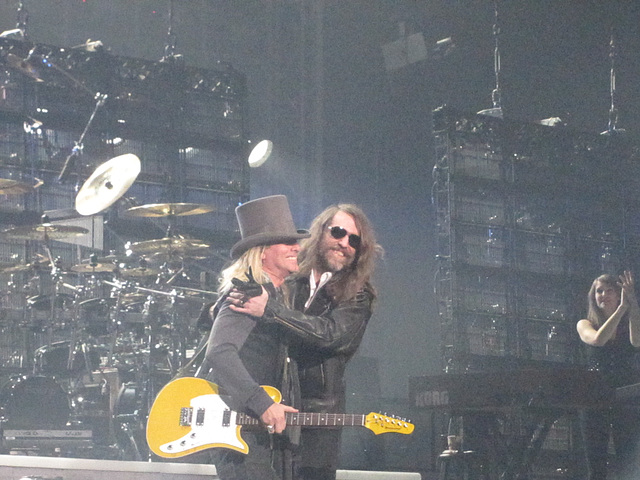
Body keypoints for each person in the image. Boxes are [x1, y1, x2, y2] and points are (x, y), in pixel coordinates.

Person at [230, 203, 383, 480]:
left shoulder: (358, 295)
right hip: (272, 405)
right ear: (320, 232)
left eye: (354, 239)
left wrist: (271, 311)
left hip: (316, 417)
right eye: (338, 232)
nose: (345, 243)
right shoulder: (292, 278)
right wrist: (220, 309)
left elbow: (330, 335)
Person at [198, 194, 309, 480]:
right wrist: (263, 403)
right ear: (262, 251)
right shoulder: (248, 293)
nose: (296, 247)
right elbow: (219, 351)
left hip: (248, 426)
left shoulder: (269, 296)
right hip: (237, 427)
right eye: (287, 242)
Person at [576, 271, 640, 480]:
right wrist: (621, 308)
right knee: (595, 461)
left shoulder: (626, 322)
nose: (603, 295)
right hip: (593, 396)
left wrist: (632, 305)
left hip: (625, 395)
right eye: (598, 291)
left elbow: (637, 341)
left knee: (627, 458)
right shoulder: (585, 323)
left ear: (619, 293)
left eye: (608, 290)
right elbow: (598, 340)